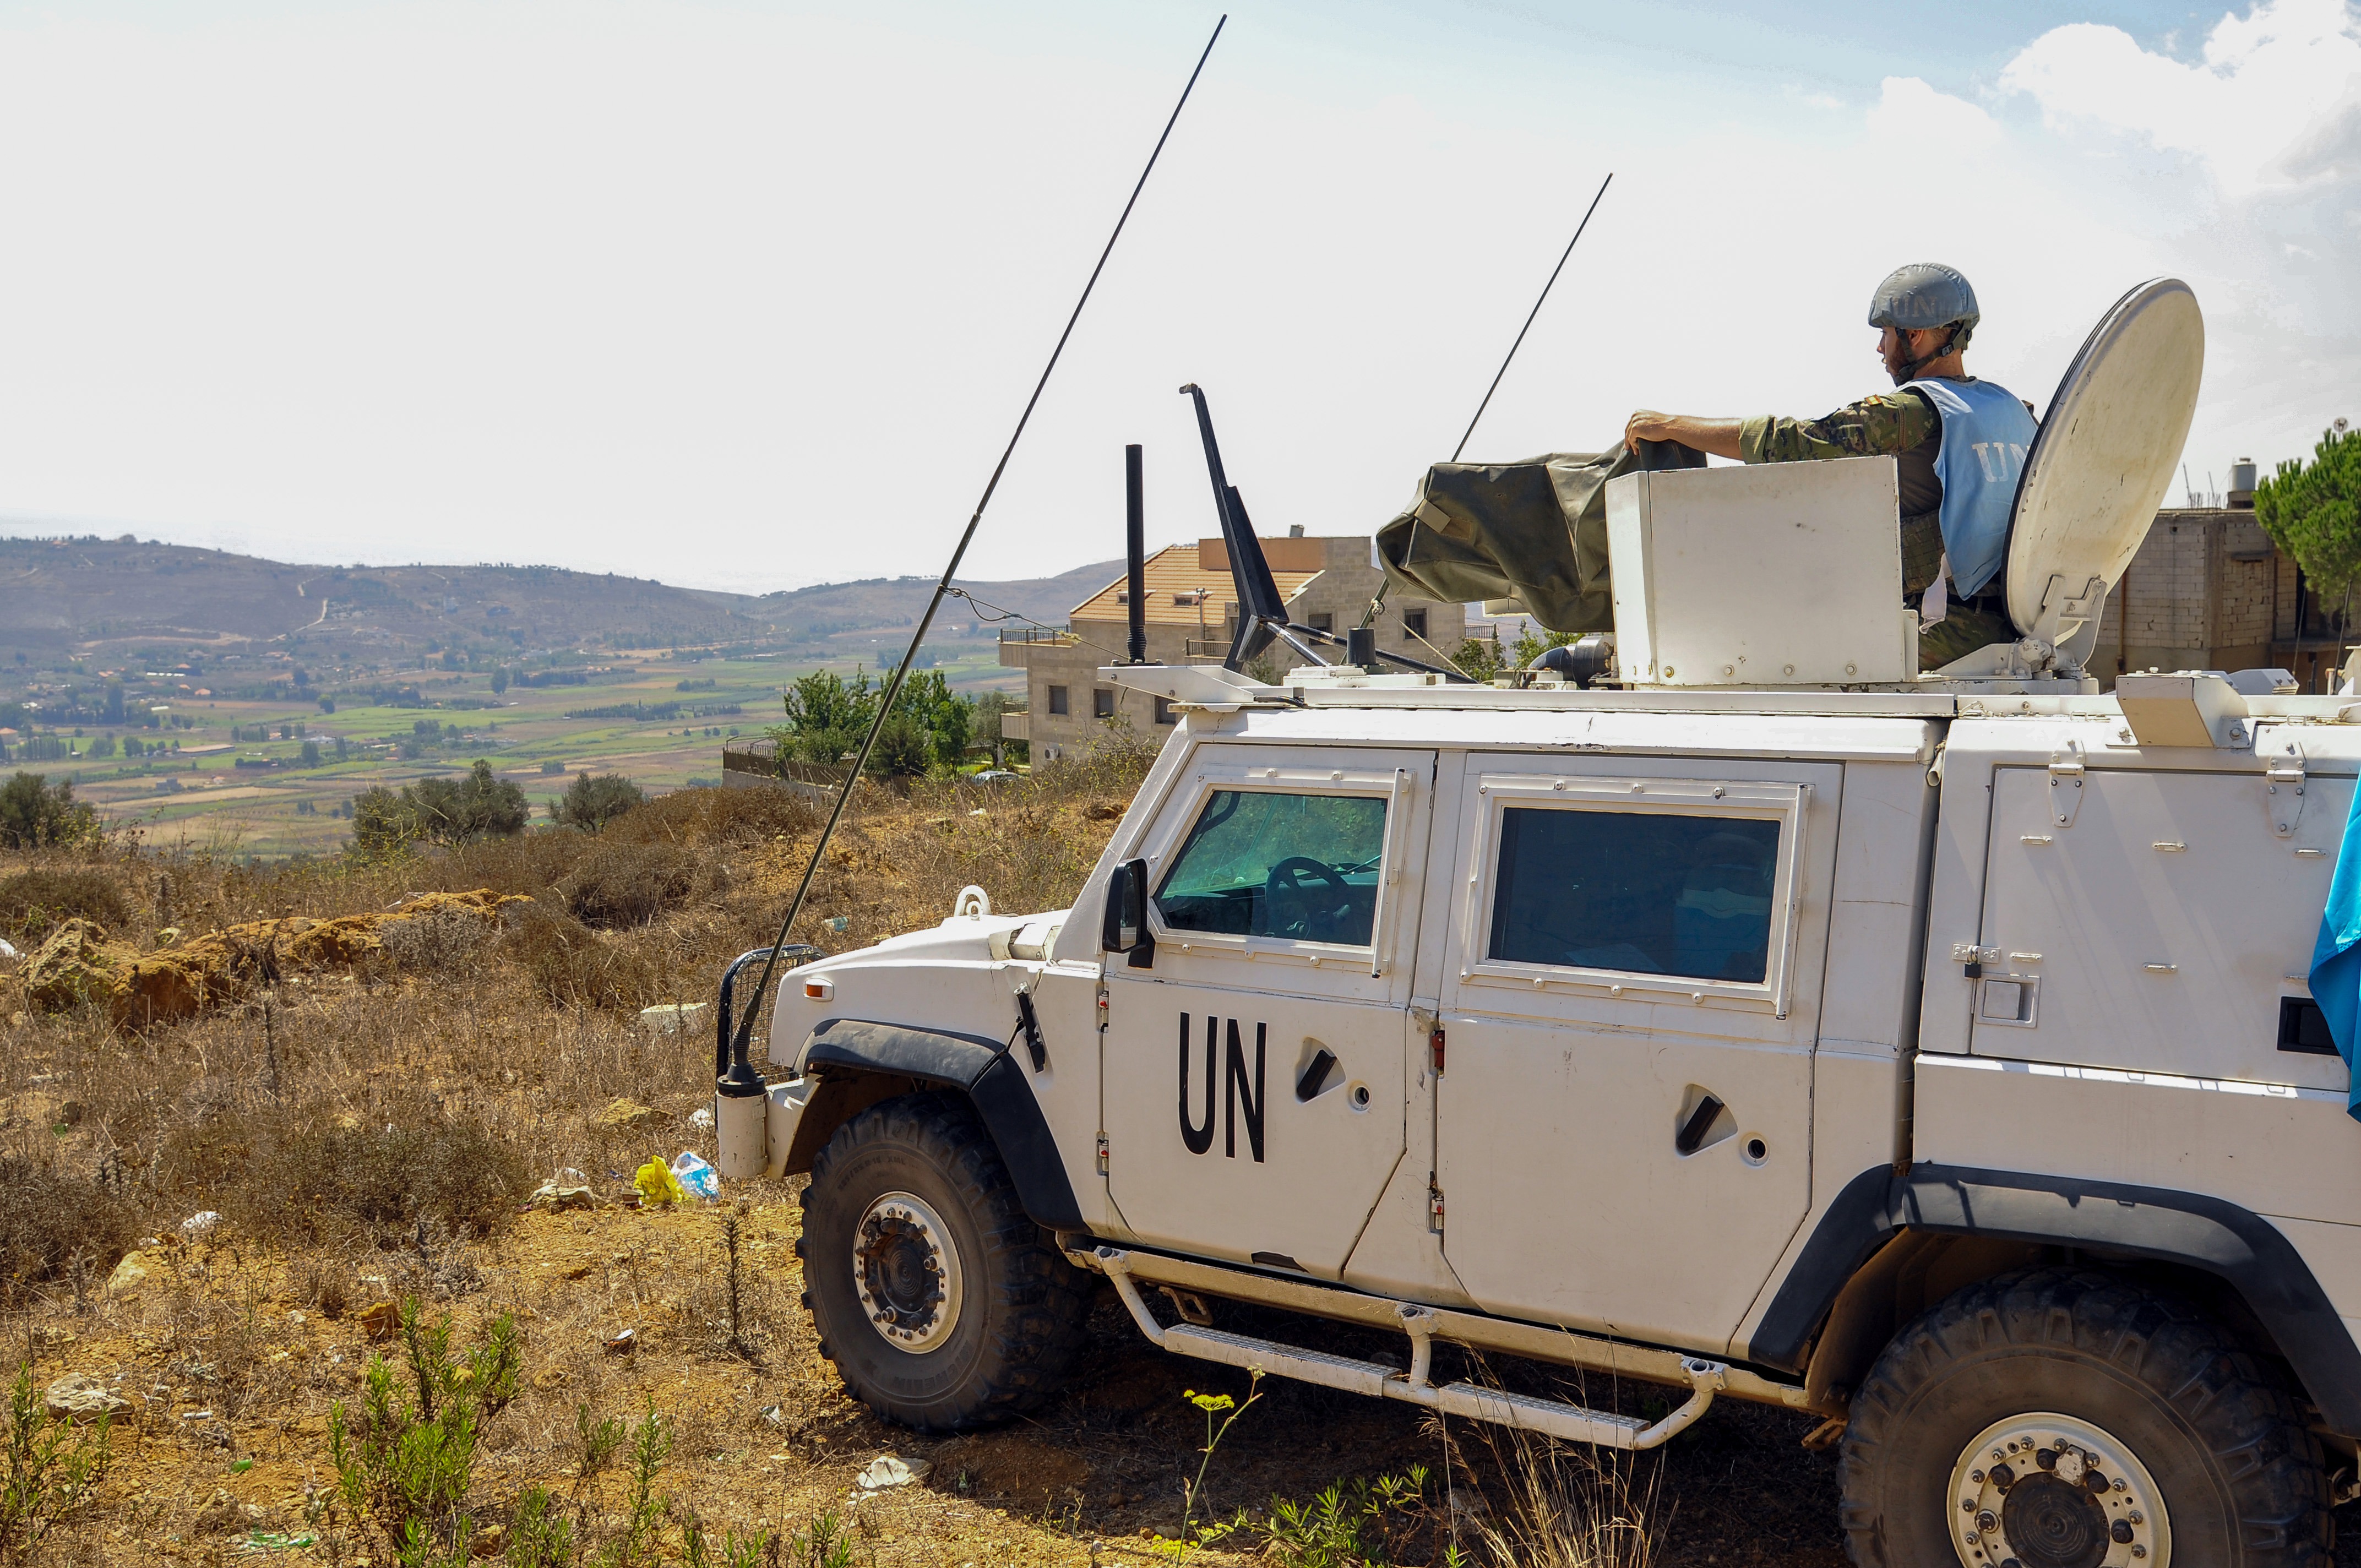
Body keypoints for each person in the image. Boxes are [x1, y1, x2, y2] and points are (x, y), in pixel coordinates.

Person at [1621, 263, 2038, 669]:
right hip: (2017, 623)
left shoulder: (1911, 412)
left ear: (1914, 335)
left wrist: (1671, 426)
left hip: (1949, 626)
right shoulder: (2014, 410)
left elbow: (1791, 443)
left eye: (1886, 335)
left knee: (1772, 663)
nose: (1880, 349)